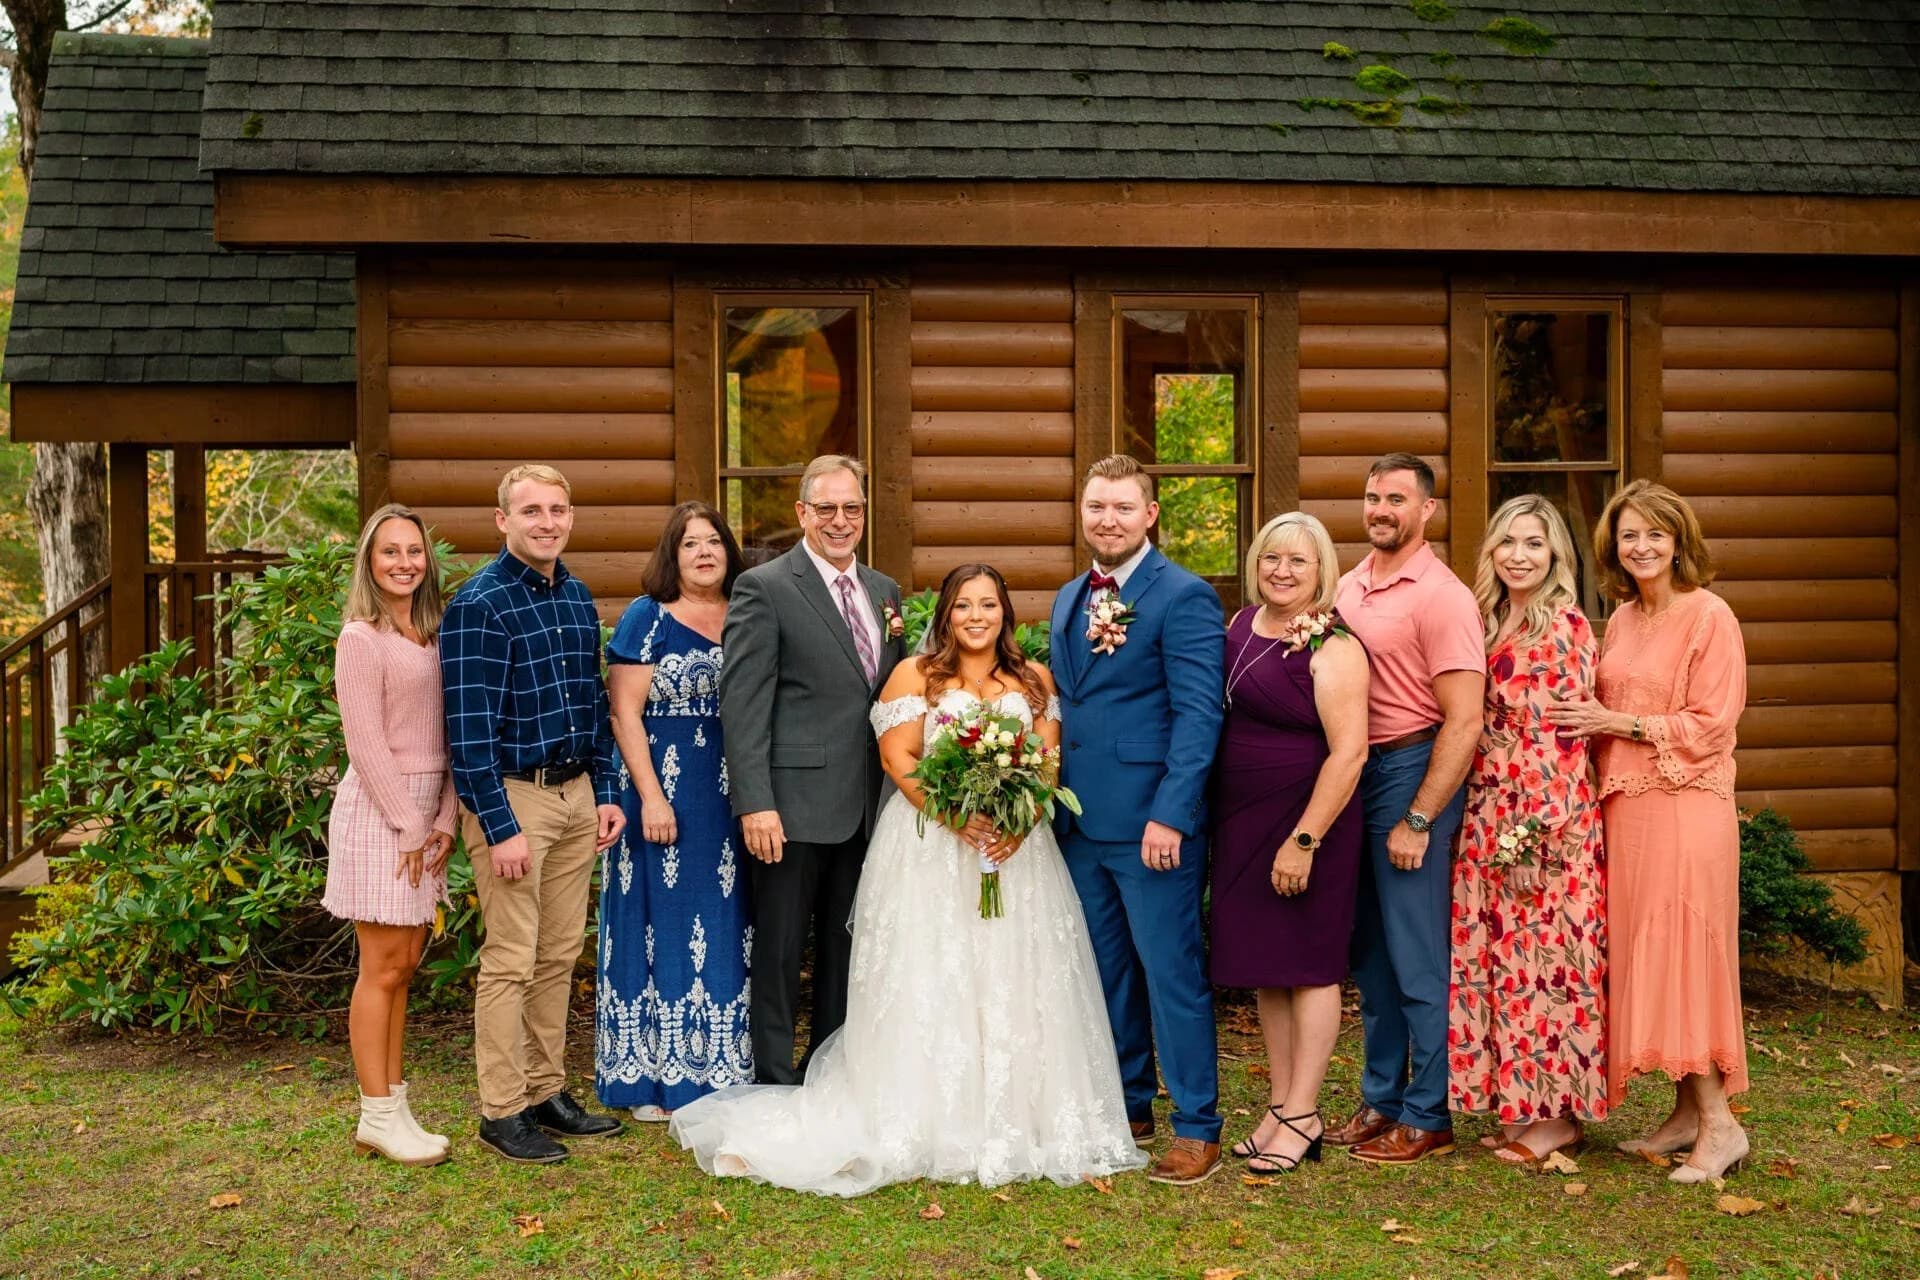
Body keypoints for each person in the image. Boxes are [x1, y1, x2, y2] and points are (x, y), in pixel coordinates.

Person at [670, 565, 1144, 1194]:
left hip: (1014, 852)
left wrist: (1019, 819)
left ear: (1005, 613)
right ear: (944, 614)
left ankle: (1017, 1112)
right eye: (963, 606)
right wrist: (957, 816)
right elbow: (899, 758)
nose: (976, 617)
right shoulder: (914, 676)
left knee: (1012, 971)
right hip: (930, 847)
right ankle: (924, 1113)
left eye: (989, 605)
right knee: (933, 970)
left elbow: (1048, 764)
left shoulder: (1034, 680)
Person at [1545, 480, 1750, 1184]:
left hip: (1686, 807)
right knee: (1650, 957)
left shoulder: (1710, 616)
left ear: (1679, 541)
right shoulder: (1626, 618)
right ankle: (1686, 1115)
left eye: (1655, 534)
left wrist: (1618, 723)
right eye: (1630, 535)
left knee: (1683, 956)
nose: (1642, 547)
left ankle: (1721, 1125)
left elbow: (1713, 722)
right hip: (1626, 808)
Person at [441, 463, 628, 1164]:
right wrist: (500, 827)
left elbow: (593, 703)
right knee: (512, 959)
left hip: (575, 794)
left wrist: (604, 791)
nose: (547, 522)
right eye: (531, 511)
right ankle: (502, 1110)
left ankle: (546, 1090)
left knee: (557, 955)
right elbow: (467, 733)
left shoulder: (576, 596)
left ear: (570, 517)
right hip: (514, 797)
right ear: (503, 521)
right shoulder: (479, 604)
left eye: (557, 510)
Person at [1049, 454, 1226, 1186]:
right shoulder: (1069, 596)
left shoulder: (1183, 596)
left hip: (1152, 825)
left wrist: (1172, 816)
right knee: (1106, 972)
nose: (1109, 520)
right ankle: (1130, 1104)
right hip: (1080, 822)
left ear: (1150, 514)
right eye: (1097, 506)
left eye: (1124, 507)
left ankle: (1197, 1124)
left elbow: (1198, 715)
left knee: (1170, 972)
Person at [718, 455, 907, 1086]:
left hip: (867, 805)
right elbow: (743, 705)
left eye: (852, 508)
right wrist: (755, 803)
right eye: (826, 508)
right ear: (802, 512)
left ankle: (827, 1075)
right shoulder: (765, 587)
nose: (840, 520)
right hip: (790, 807)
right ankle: (774, 1080)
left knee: (845, 949)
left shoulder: (884, 591)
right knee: (779, 950)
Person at [1327, 452, 1485, 1166]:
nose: (1381, 509)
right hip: (1357, 771)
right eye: (1372, 497)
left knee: (1417, 955)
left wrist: (1419, 818)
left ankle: (1429, 1113)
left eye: (1396, 498)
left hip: (1411, 769)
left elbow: (1464, 719)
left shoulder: (1443, 597)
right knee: (1372, 956)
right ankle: (1382, 1099)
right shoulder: (1351, 583)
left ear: (1427, 510)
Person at [1449, 495, 1608, 1167]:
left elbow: (1560, 746)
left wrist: (1529, 841)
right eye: (1508, 542)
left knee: (1546, 967)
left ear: (1556, 556)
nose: (1518, 555)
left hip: (1543, 821)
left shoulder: (1563, 628)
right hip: (1488, 812)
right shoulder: (1487, 619)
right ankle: (1519, 1105)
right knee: (1502, 966)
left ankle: (1556, 1120)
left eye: (1534, 544)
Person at [1210, 512, 1368, 1176]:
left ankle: (1304, 1113)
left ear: (1322, 570)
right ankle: (1279, 1107)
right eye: (1271, 557)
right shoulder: (1242, 625)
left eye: (1298, 560)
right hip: (1243, 819)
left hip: (1308, 819)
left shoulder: (1335, 645)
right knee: (1267, 968)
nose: (1282, 570)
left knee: (1309, 965)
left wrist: (1304, 840)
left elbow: (1350, 753)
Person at [596, 502, 752, 1121]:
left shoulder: (748, 612)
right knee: (655, 924)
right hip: (660, 791)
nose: (704, 553)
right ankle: (651, 1081)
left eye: (713, 541)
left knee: (725, 920)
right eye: (690, 544)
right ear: (673, 554)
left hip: (731, 795)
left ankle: (719, 1068)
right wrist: (653, 796)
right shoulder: (648, 616)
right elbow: (623, 713)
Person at [323, 504, 458, 1167]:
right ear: (369, 563)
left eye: (413, 551)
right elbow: (365, 742)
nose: (404, 563)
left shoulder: (433, 634)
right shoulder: (361, 639)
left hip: (425, 815)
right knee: (380, 968)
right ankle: (375, 1113)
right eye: (389, 552)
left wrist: (445, 817)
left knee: (404, 966)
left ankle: (395, 1106)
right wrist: (408, 823)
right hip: (382, 814)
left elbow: (450, 735)